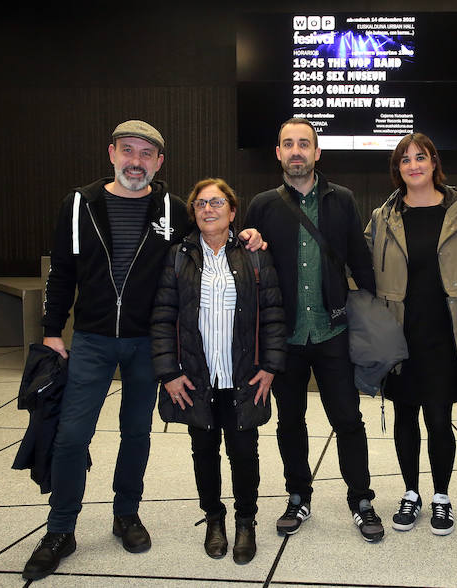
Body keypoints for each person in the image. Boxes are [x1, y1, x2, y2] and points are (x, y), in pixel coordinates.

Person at [26, 120, 190, 580]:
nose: (135, 162)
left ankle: (126, 514)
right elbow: (61, 271)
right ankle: (60, 529)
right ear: (112, 154)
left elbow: (204, 247)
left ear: (159, 163)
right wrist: (52, 329)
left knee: (136, 432)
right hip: (93, 339)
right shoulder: (80, 204)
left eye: (146, 154)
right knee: (72, 436)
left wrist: (247, 236)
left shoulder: (173, 210)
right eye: (128, 151)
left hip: (146, 341)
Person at [243, 118, 384, 542]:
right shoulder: (262, 205)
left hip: (333, 331)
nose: (297, 151)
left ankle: (361, 498)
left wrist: (378, 314)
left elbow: (360, 259)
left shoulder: (342, 200)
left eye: (304, 143)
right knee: (290, 422)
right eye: (288, 144)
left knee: (348, 419)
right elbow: (247, 263)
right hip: (283, 338)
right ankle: (298, 496)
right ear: (278, 153)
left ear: (317, 153)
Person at [150, 178, 286, 565]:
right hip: (195, 379)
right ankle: (214, 518)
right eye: (201, 204)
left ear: (232, 210)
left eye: (217, 202)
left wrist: (271, 367)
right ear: (193, 213)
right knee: (203, 452)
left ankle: (246, 521)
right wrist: (169, 373)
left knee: (244, 453)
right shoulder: (178, 257)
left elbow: (273, 316)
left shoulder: (255, 255)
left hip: (242, 378)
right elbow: (162, 319)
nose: (208, 209)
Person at [365, 133, 457, 536]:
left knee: (439, 418)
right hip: (399, 333)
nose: (413, 165)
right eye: (405, 160)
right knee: (404, 416)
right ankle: (411, 493)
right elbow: (360, 263)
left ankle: (442, 497)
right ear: (398, 169)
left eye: (421, 157)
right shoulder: (384, 216)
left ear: (434, 163)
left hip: (445, 333)